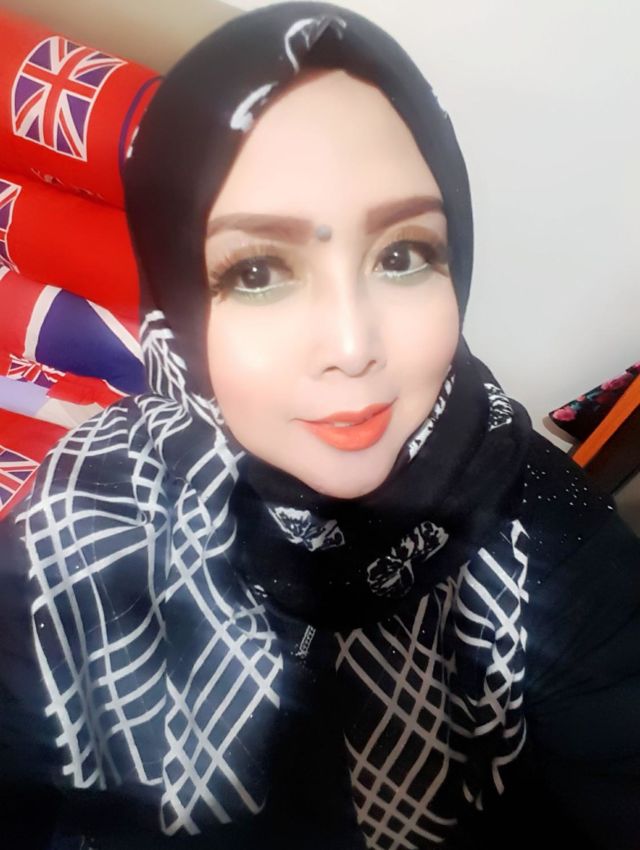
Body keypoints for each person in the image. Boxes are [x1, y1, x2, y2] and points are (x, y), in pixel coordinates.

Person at [1, 3, 639, 849]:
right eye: (258, 271)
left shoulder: (548, 537)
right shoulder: (81, 517)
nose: (351, 346)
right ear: (176, 302)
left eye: (402, 255)